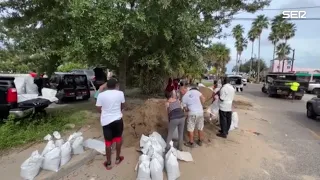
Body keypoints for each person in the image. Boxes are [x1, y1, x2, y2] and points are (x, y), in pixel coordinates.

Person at [96, 78, 125, 170]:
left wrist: (105, 113)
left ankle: (108, 163)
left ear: (107, 86)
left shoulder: (101, 95)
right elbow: (123, 105)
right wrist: (117, 112)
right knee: (118, 139)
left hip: (106, 121)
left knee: (108, 142)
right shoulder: (120, 93)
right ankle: (117, 159)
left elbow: (98, 108)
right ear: (116, 85)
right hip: (118, 120)